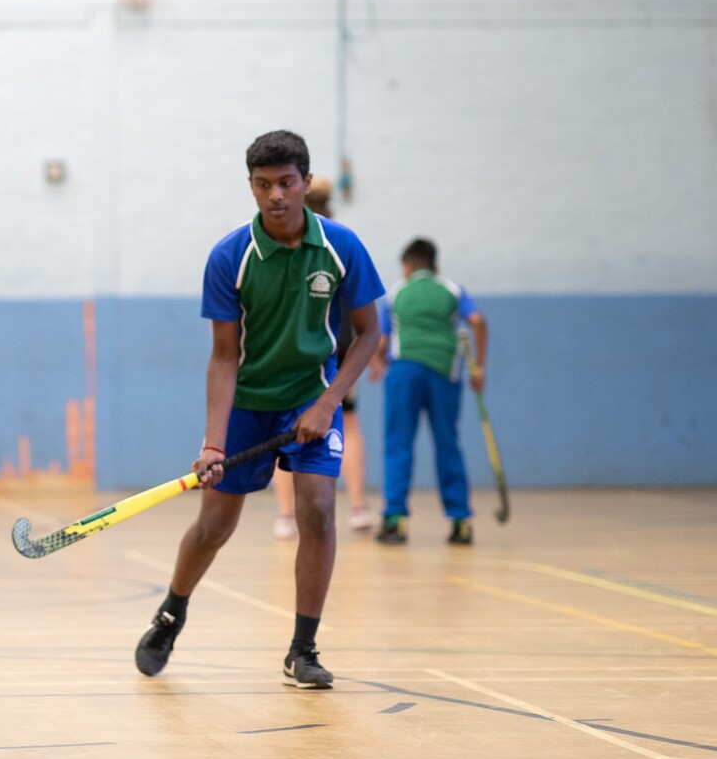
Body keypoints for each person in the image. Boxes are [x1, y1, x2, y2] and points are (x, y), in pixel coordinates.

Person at [135, 130, 383, 688]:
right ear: (250, 186)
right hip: (248, 400)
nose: (275, 195)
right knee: (215, 526)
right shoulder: (230, 256)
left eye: (286, 183)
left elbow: (369, 334)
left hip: (312, 396)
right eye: (263, 184)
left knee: (317, 509)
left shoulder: (342, 247)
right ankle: (171, 612)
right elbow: (223, 357)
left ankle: (303, 648)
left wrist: (327, 402)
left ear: (306, 183)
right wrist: (214, 443)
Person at [270, 179, 374, 536]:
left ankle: (286, 515)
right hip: (341, 351)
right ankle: (358, 508)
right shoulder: (343, 239)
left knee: (283, 431)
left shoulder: (299, 240)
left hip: (304, 356)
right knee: (350, 425)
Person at [374, 238, 487, 546]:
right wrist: (480, 368)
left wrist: (377, 363)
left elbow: (382, 341)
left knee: (398, 444)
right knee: (448, 443)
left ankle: (395, 520)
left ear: (408, 266)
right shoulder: (452, 290)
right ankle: (461, 520)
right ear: (435, 264)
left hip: (404, 371)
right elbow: (477, 321)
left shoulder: (397, 292)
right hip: (444, 371)